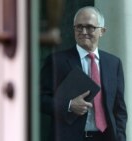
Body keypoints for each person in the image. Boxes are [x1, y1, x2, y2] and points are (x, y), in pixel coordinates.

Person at [40, 6, 127, 141]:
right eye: (79, 27)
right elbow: (39, 99)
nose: (83, 31)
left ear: (102, 31)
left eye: (90, 27)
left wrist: (121, 137)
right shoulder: (57, 61)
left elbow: (119, 109)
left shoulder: (113, 63)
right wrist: (69, 105)